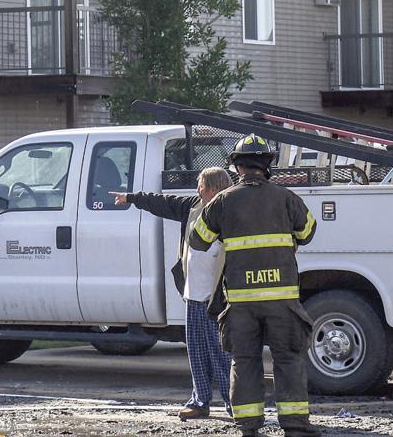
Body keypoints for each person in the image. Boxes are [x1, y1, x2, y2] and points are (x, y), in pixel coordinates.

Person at [188, 134, 319, 437]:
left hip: (241, 304)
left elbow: (198, 239)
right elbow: (308, 231)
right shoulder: (286, 198)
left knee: (244, 362)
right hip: (282, 301)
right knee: (288, 360)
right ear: (268, 165)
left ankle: (248, 426)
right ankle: (295, 426)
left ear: (236, 166)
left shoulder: (223, 200)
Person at [113, 166, 234, 421]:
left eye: (200, 185)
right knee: (197, 351)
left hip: (218, 299)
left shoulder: (232, 212)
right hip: (193, 295)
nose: (197, 189)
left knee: (220, 353)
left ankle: (233, 404)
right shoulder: (193, 206)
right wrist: (132, 198)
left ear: (212, 189)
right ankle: (200, 402)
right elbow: (164, 203)